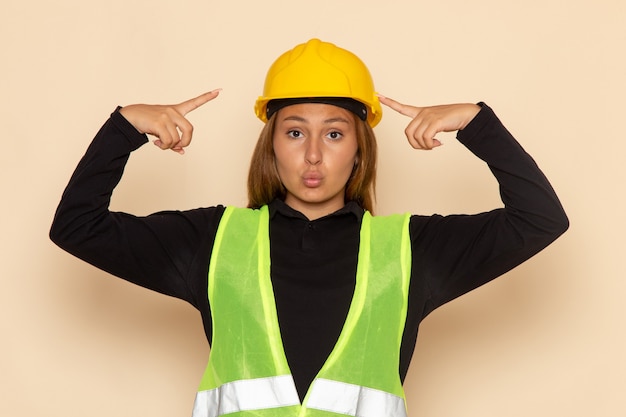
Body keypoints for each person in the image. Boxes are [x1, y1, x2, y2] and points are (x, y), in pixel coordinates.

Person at [50, 38, 569, 417]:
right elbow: (77, 227)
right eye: (295, 132)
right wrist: (123, 129)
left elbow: (540, 218)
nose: (314, 155)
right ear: (271, 144)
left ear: (360, 146)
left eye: (335, 133)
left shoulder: (410, 250)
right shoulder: (212, 241)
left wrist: (477, 123)